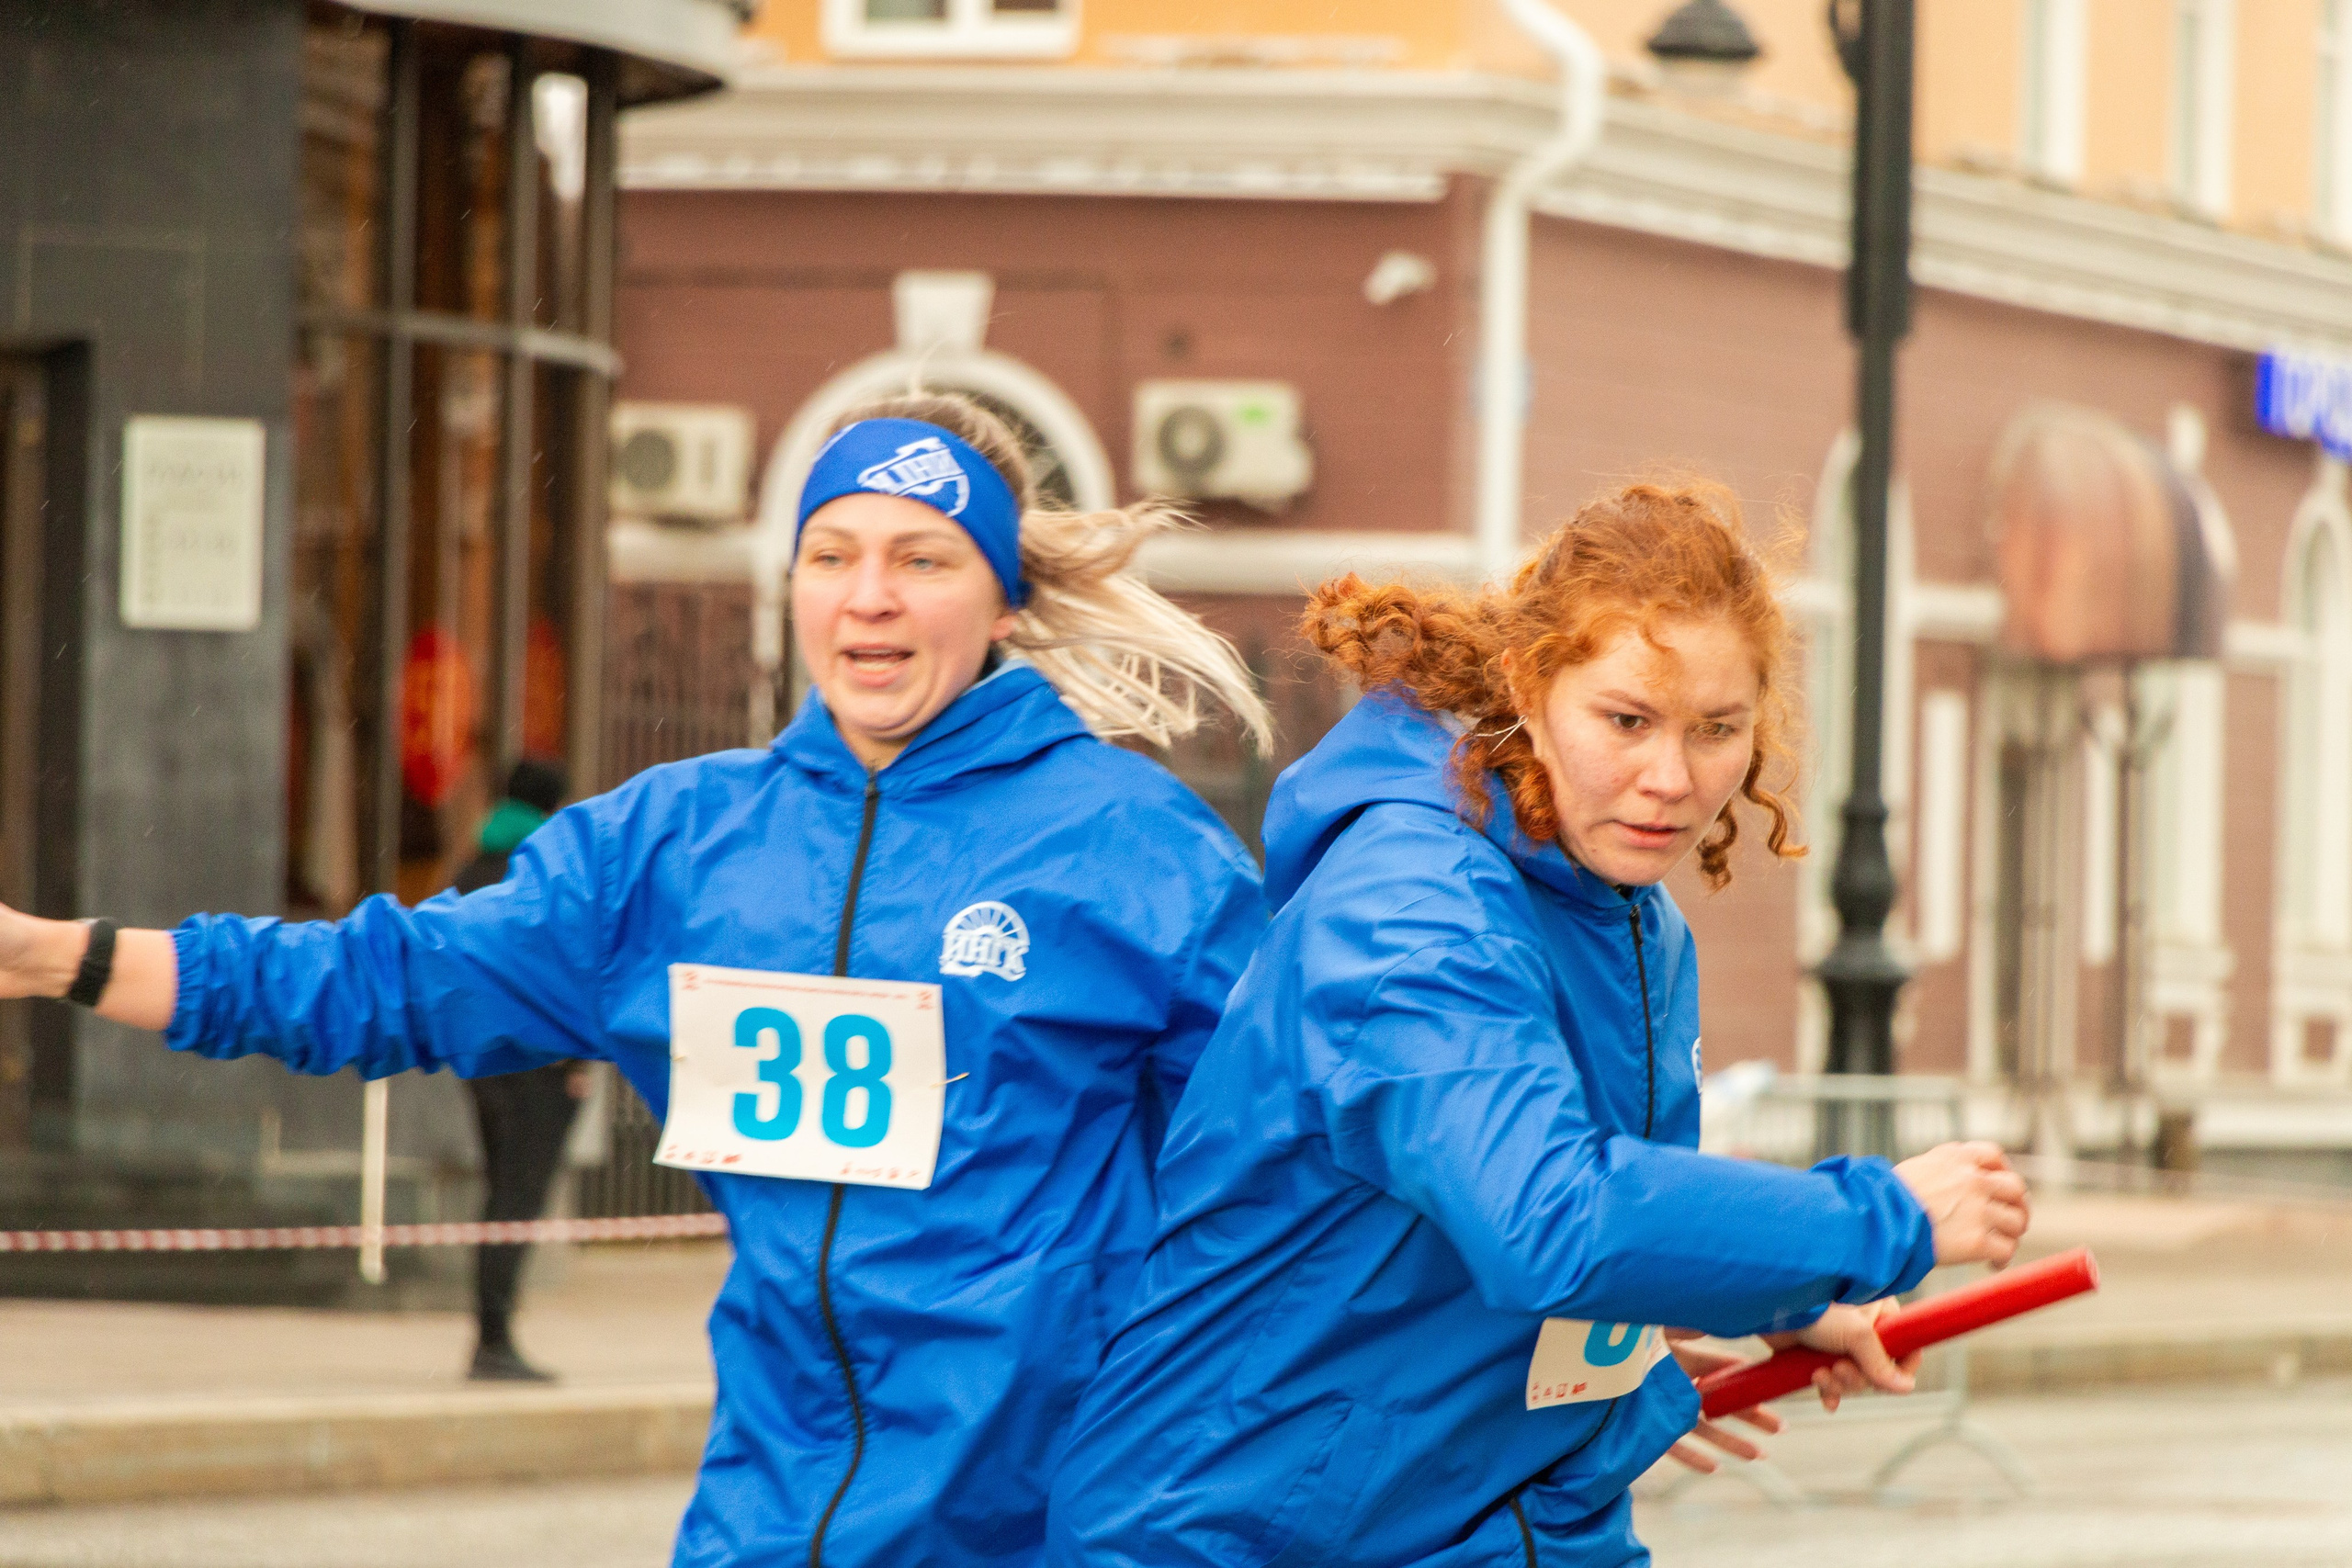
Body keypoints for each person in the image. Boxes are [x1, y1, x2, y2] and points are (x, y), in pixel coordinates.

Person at [0, 392, 1272, 1567]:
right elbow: (381, 980)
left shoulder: (1132, 848)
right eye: (831, 554)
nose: (868, 596)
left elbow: (1284, 1180)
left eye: (922, 559)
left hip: (1051, 1518)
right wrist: (58, 953)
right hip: (764, 1514)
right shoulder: (675, 847)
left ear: (1002, 603)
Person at [1045, 481, 2032, 1568]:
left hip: (1487, 1522)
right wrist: (1873, 1221)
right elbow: (1549, 1220)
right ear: (1528, 684)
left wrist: (1703, 1310)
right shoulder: (1414, 913)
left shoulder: (1629, 920)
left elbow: (1457, 1241)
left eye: (1717, 730)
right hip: (1231, 1535)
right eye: (1626, 720)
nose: (1671, 779)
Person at [449, 755, 586, 1383]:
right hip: (539, 1062)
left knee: (500, 1191)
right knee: (518, 1196)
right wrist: (580, 1057)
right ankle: (495, 1336)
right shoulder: (548, 864)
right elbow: (570, 967)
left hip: (483, 1055)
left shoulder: (476, 864)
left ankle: (491, 1330)